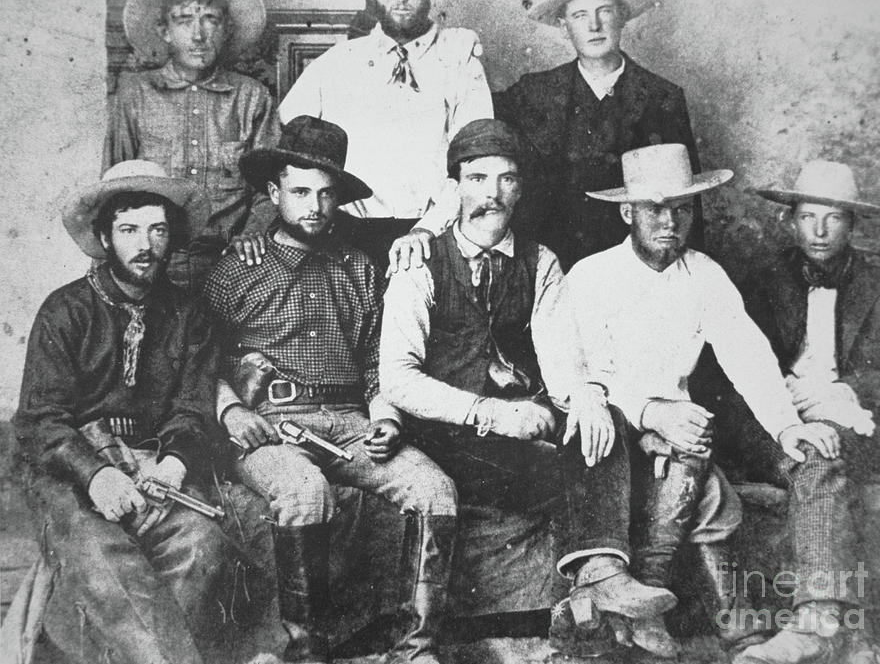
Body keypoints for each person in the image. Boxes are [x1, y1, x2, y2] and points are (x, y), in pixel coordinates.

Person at [379, 119, 680, 660]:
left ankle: (604, 576)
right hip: (447, 429)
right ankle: (596, 585)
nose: (491, 194)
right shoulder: (420, 262)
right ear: (455, 187)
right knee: (570, 461)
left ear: (521, 188)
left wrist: (585, 399)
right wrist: (491, 413)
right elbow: (397, 378)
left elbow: (562, 358)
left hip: (525, 418)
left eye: (506, 180)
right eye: (477, 178)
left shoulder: (541, 262)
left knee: (602, 419)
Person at [564, 144, 865, 662]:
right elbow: (575, 377)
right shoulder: (590, 277)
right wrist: (649, 414)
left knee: (706, 455)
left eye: (683, 209)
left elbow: (747, 353)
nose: (670, 222)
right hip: (611, 430)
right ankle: (718, 626)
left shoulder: (704, 274)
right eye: (656, 209)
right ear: (626, 212)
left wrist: (786, 427)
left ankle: (769, 632)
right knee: (702, 475)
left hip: (684, 430)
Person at [203, 115, 458, 664]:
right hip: (270, 425)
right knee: (305, 491)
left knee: (434, 490)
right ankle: (306, 652)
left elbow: (374, 359)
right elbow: (198, 357)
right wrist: (228, 412)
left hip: (349, 420)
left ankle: (416, 651)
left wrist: (385, 416)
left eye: (326, 194)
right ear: (274, 193)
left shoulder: (358, 267)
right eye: (299, 192)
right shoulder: (238, 268)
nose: (314, 206)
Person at [13, 160, 230, 664]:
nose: (145, 244)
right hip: (69, 476)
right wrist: (95, 476)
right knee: (108, 559)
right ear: (105, 238)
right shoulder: (65, 310)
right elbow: (40, 421)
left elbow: (193, 406)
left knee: (203, 547)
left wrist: (175, 462)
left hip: (154, 469)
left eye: (158, 229)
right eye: (129, 229)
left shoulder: (189, 313)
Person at [720, 160, 880, 664]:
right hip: (779, 420)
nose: (819, 231)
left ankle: (817, 622)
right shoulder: (760, 280)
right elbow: (729, 374)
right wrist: (786, 409)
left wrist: (840, 391)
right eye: (807, 217)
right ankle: (853, 640)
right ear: (789, 220)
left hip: (856, 421)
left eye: (834, 218)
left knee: (820, 458)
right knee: (809, 451)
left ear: (852, 224)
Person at [279, 0, 493, 272]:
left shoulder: (459, 61)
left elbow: (476, 160)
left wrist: (428, 228)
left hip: (432, 235)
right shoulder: (337, 63)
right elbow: (288, 140)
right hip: (346, 238)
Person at [494, 0, 703, 271]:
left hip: (637, 266)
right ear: (564, 27)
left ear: (622, 19)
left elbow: (688, 198)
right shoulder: (533, 92)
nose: (594, 25)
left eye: (604, 12)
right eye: (580, 15)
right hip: (551, 265)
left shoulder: (661, 96)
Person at [106, 0, 279, 292]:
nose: (198, 35)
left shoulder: (252, 97)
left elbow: (270, 185)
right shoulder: (135, 94)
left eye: (210, 20)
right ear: (165, 31)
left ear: (226, 30)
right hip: (153, 262)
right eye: (184, 21)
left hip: (230, 262)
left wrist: (253, 231)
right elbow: (114, 187)